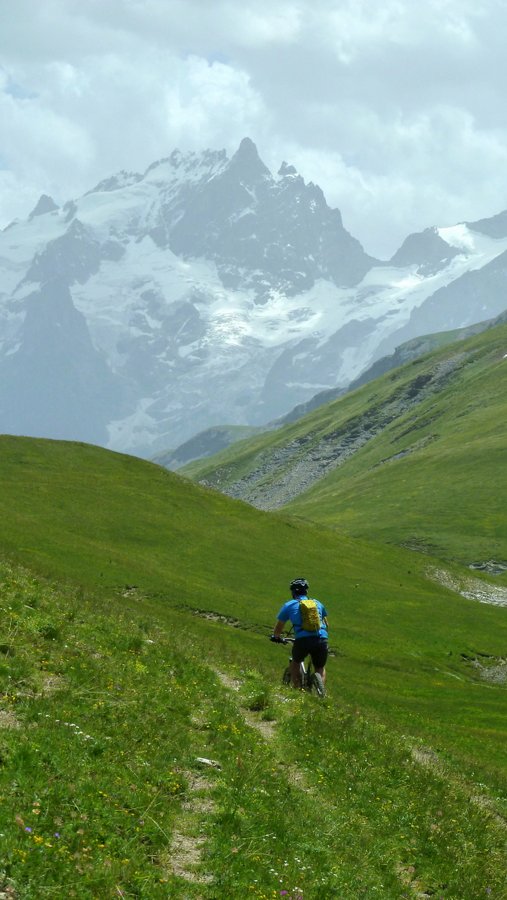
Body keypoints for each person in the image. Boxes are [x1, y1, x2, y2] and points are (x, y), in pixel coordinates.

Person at [271, 577, 329, 689]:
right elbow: (326, 623)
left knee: (295, 662)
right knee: (320, 667)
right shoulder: (317, 603)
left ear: (293, 592)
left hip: (303, 640)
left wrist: (276, 637)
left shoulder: (289, 605)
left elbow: (279, 626)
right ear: (306, 591)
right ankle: (321, 693)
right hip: (321, 638)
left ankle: (297, 689)